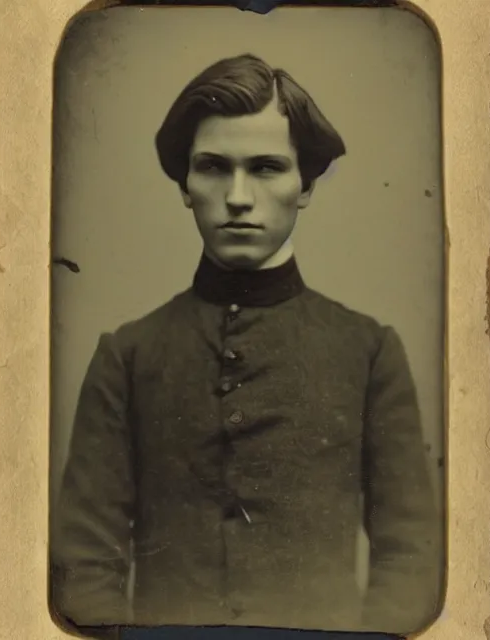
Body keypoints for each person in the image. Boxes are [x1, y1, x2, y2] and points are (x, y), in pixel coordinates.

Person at [50, 53, 442, 635]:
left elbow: (412, 556)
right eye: (213, 167)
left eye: (265, 168)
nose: (237, 196)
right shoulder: (128, 355)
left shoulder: (368, 351)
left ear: (304, 185)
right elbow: (83, 565)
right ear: (185, 184)